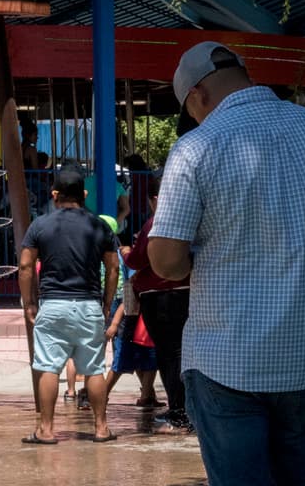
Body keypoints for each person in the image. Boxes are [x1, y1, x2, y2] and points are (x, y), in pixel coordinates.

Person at [147, 41, 305, 484]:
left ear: (198, 95)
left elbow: (167, 261)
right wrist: (292, 242)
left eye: (190, 110)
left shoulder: (196, 148)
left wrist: (235, 248)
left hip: (226, 358)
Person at [17, 168, 119, 445]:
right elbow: (113, 268)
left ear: (54, 195)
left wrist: (29, 303)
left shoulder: (40, 225)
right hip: (89, 306)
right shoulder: (100, 226)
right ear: (83, 195)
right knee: (94, 368)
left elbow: (25, 266)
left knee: (49, 366)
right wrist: (107, 303)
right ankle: (101, 428)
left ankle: (46, 430)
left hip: (52, 305)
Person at [124, 178, 194, 434]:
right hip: (188, 294)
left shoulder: (157, 223)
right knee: (183, 354)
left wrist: (126, 253)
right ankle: (185, 409)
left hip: (161, 297)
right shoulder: (191, 219)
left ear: (155, 199)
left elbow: (137, 259)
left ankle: (179, 413)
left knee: (169, 355)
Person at [101, 215, 161, 412]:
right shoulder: (132, 262)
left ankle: (147, 395)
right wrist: (115, 324)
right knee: (124, 361)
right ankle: (102, 395)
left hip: (143, 320)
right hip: (132, 320)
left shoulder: (139, 262)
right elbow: (128, 297)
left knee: (147, 361)